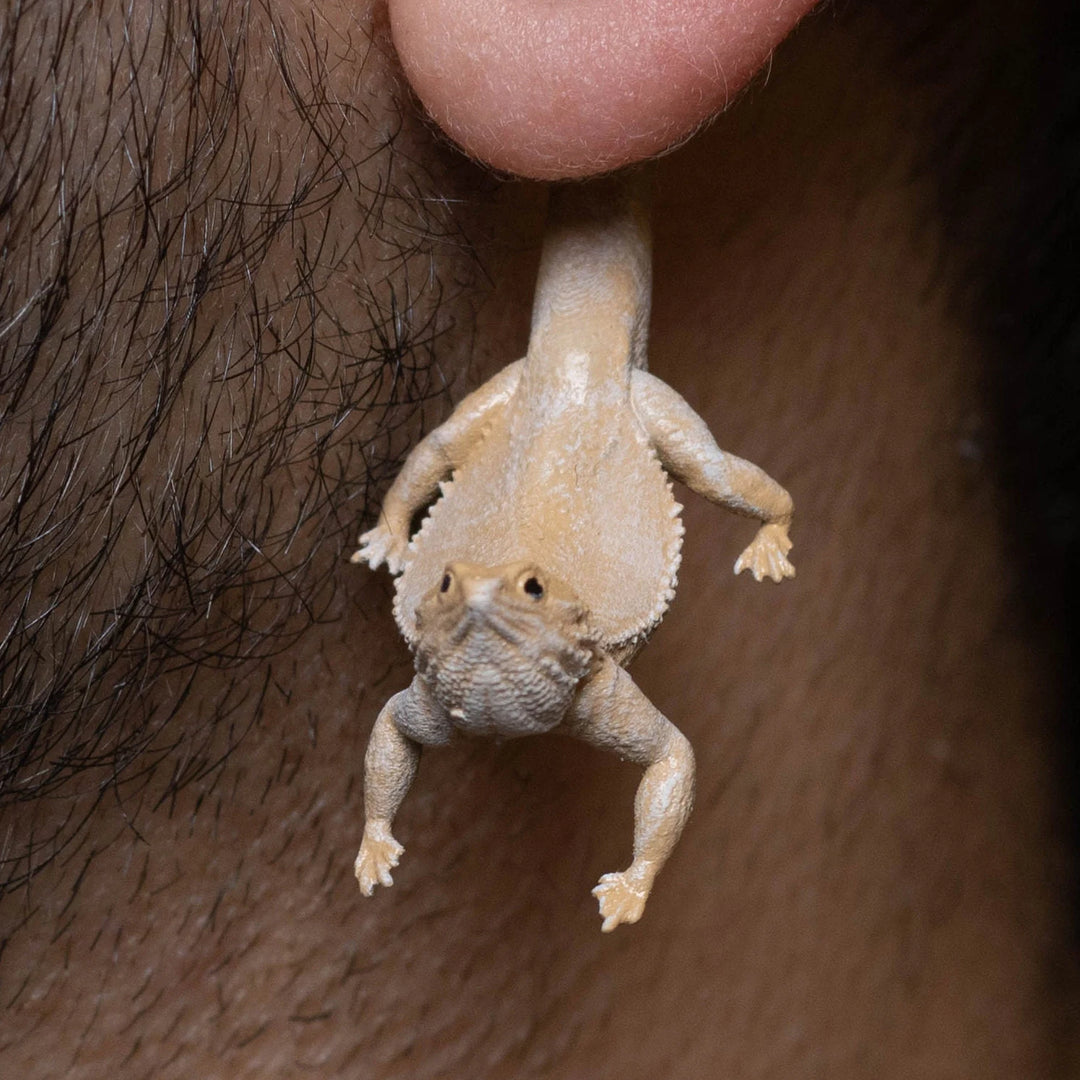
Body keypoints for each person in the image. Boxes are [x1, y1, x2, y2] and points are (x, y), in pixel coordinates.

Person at [1, 0, 1075, 1075]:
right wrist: (389, 541)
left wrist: (641, 869)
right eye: (469, 587)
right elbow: (404, 711)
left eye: (509, 589)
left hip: (598, 405)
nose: (474, 598)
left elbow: (648, 748)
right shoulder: (442, 685)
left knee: (712, 475)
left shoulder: (587, 679)